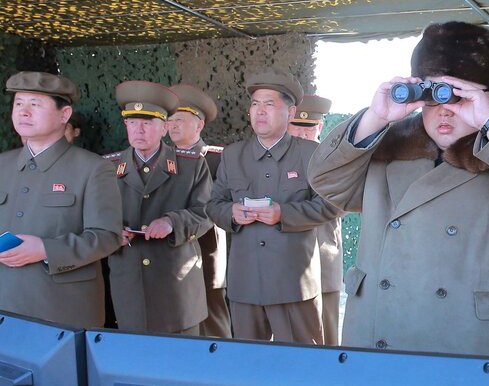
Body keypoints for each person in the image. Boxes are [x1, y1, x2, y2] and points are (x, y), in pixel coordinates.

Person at [308, 21, 489, 358]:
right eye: (434, 95)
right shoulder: (384, 150)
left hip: (478, 346)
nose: (445, 110)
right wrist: (375, 118)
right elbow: (325, 181)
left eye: (459, 95)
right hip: (384, 333)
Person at [206, 72, 343, 344]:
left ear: (290, 112)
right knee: (249, 362)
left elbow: (332, 204)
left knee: (300, 361)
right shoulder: (233, 155)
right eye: (255, 104)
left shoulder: (311, 154)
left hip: (293, 285)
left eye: (269, 104)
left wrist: (284, 214)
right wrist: (231, 213)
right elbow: (213, 205)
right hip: (245, 285)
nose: (260, 111)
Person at [0, 71, 122, 328]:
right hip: (5, 306)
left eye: (35, 104)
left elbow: (107, 237)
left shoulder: (93, 168)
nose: (23, 112)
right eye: (19, 104)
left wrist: (46, 250)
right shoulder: (3, 164)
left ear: (64, 114)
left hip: (63, 310)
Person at [103, 81, 214, 334]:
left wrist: (172, 222)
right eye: (132, 123)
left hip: (176, 286)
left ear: (164, 127)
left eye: (147, 123)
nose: (138, 130)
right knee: (134, 353)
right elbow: (93, 217)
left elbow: (207, 212)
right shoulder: (107, 168)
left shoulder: (191, 166)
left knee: (182, 354)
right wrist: (110, 231)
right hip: (129, 285)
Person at [167, 83, 231, 338]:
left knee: (212, 320)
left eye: (180, 120)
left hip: (206, 249)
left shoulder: (217, 159)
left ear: (199, 125)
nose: (173, 126)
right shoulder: (162, 159)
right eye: (170, 120)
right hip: (170, 253)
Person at [285, 94, 344, 345]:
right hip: (283, 264)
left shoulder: (334, 161)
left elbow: (337, 204)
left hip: (321, 260)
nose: (302, 133)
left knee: (326, 338)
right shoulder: (273, 160)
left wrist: (283, 213)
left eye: (308, 128)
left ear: (319, 127)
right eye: (296, 127)